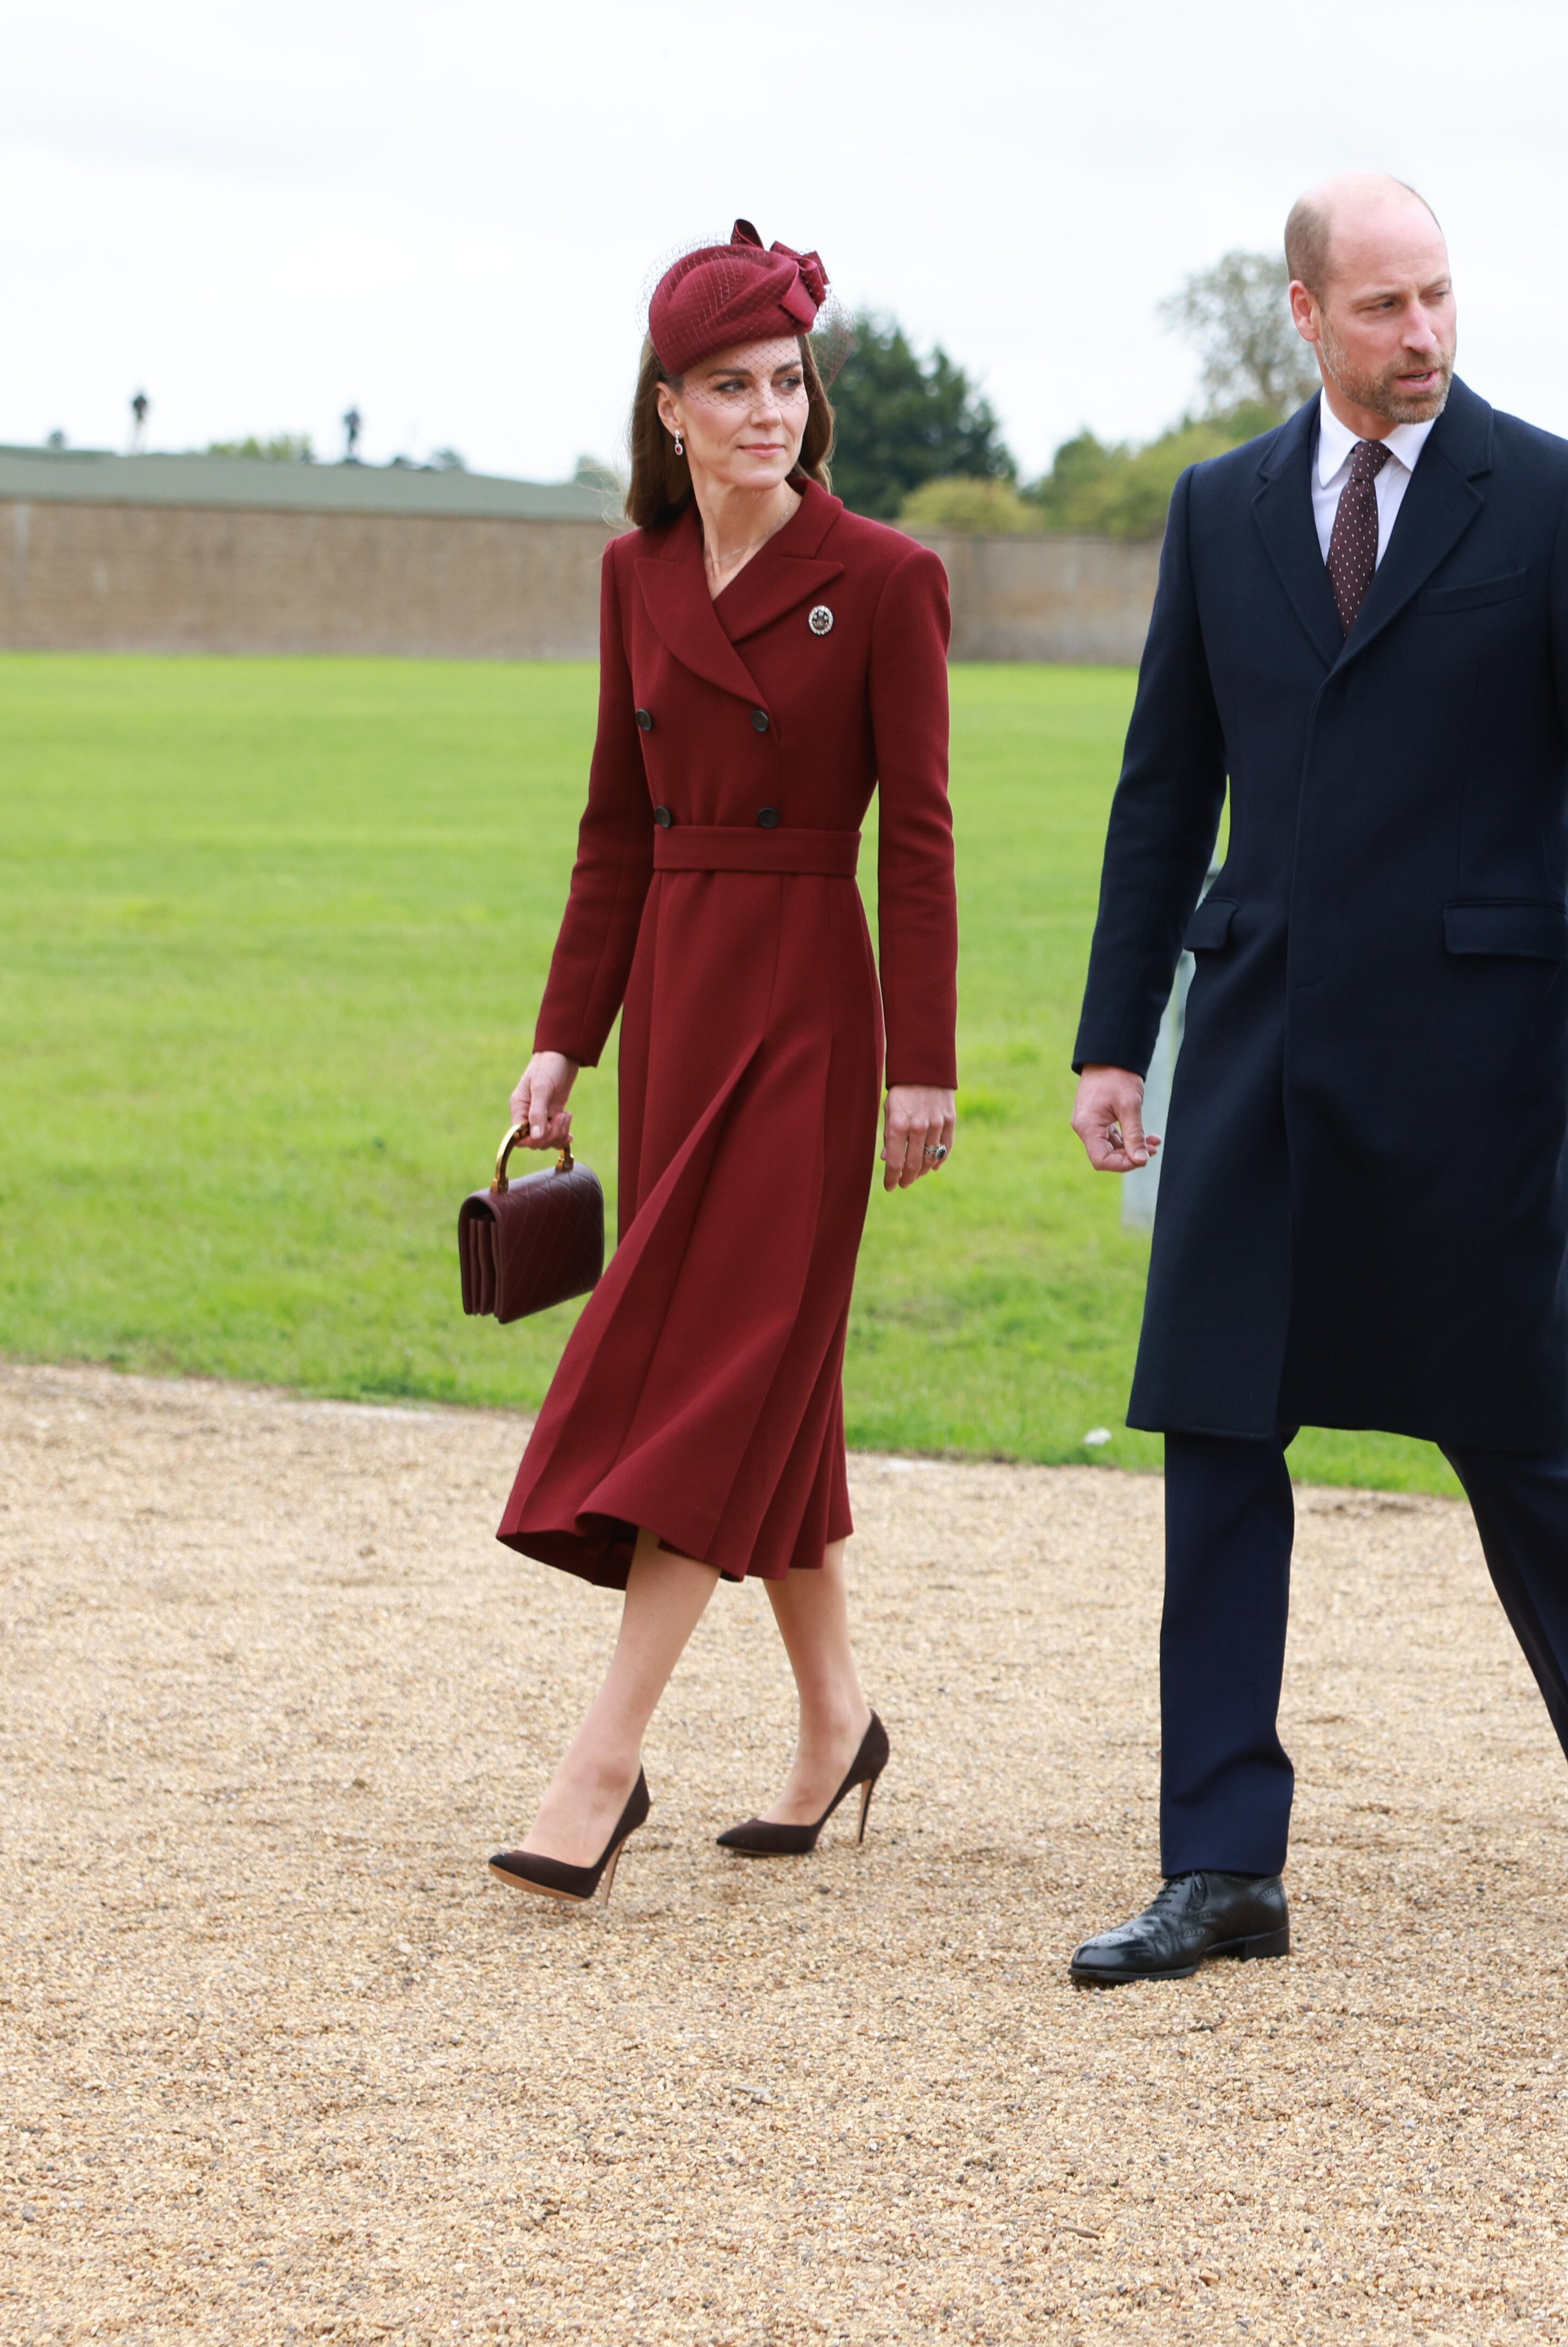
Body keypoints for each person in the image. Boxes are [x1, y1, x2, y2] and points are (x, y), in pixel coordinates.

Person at [1063, 172, 1568, 1983]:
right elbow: (1160, 788)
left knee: (1508, 1428)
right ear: (1303, 315)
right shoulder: (1222, 509)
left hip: (1472, 1052)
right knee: (1215, 1423)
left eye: (1438, 299)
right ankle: (1222, 1859)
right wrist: (1118, 1035)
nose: (1421, 336)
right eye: (1383, 308)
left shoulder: (1560, 501)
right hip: (1252, 1030)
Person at [485, 221, 959, 1902]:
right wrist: (562, 1040)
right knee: (760, 1377)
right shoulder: (634, 580)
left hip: (816, 1013)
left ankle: (598, 1762)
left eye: (787, 381)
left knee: (708, 1371)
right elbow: (612, 836)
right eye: (733, 388)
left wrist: (925, 1063)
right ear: (669, 407)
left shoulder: (888, 577)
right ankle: (836, 1722)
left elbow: (918, 842)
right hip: (677, 1006)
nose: (773, 412)